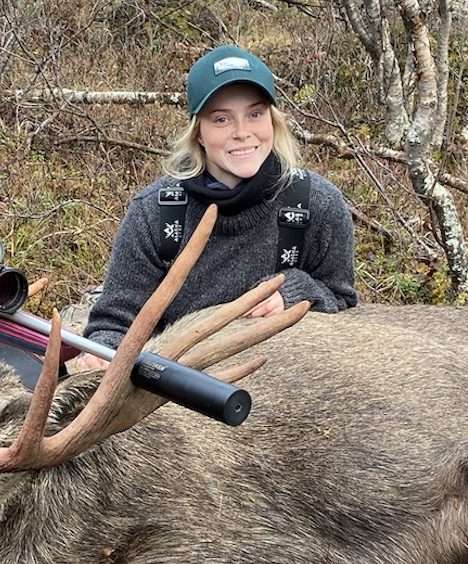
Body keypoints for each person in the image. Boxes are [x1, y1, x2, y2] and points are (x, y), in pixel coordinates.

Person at [76, 45, 358, 363]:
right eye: (222, 119)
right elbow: (113, 324)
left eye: (255, 114)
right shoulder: (155, 213)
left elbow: (341, 299)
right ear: (198, 133)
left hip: (293, 381)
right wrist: (102, 355)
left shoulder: (316, 205)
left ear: (273, 121)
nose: (242, 133)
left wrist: (293, 292)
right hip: (181, 391)